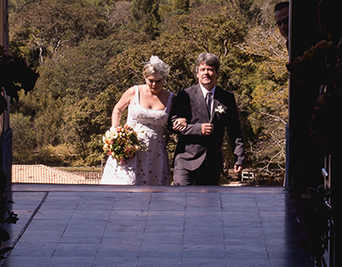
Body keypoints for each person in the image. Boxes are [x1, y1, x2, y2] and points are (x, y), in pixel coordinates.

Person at [167, 52, 245, 185]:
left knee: (207, 205)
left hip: (212, 163)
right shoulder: (185, 95)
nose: (206, 73)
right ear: (197, 73)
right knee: (181, 202)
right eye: (202, 69)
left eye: (210, 69)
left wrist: (239, 157)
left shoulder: (227, 98)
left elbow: (235, 130)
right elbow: (171, 125)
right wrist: (198, 129)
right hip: (186, 160)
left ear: (217, 73)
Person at [99, 56, 174, 185]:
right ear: (145, 78)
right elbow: (117, 109)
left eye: (158, 80)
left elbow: (176, 118)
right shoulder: (134, 91)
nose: (154, 84)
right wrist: (115, 133)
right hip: (130, 149)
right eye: (150, 81)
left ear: (164, 79)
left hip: (155, 152)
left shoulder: (170, 98)